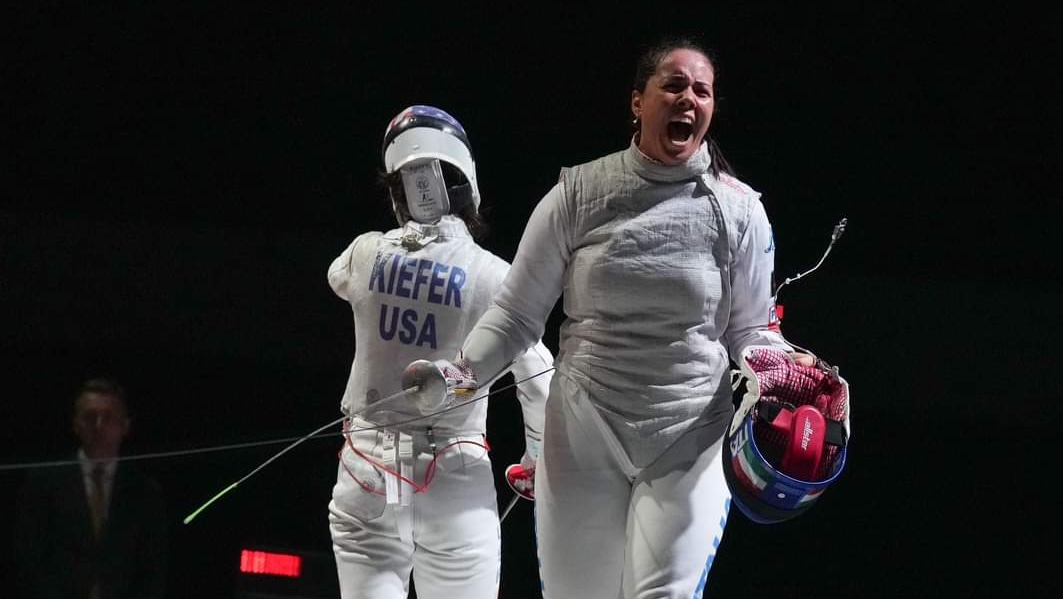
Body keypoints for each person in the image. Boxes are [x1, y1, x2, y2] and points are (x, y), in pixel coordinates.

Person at [413, 37, 819, 598]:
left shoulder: (740, 209)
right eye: (673, 85)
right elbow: (514, 314)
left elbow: (750, 330)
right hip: (585, 428)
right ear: (637, 101)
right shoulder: (578, 193)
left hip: (690, 431)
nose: (688, 99)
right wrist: (457, 378)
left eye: (701, 91)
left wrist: (785, 368)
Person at [326, 104, 553, 599]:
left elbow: (336, 276)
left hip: (364, 477)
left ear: (398, 188)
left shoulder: (364, 253)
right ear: (464, 179)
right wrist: (534, 461)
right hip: (453, 484)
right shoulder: (495, 276)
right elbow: (540, 380)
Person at [12, 378, 168, 599]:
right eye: (89, 417)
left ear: (125, 426)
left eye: (108, 418)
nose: (98, 426)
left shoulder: (144, 491)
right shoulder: (44, 482)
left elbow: (153, 568)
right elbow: (28, 558)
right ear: (76, 424)